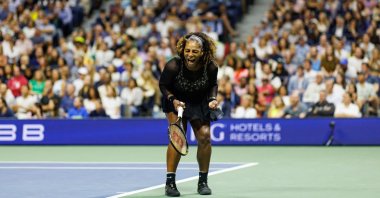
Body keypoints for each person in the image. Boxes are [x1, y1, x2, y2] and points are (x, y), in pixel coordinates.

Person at [159, 32, 219, 197]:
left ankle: (203, 182)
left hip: (198, 102)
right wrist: (173, 99)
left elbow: (213, 84)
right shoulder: (174, 65)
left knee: (205, 136)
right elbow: (163, 85)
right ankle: (170, 183)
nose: (190, 54)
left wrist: (213, 99)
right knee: (178, 138)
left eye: (194, 51)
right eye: (187, 50)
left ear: (202, 52)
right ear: (183, 50)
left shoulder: (211, 67)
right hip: (176, 102)